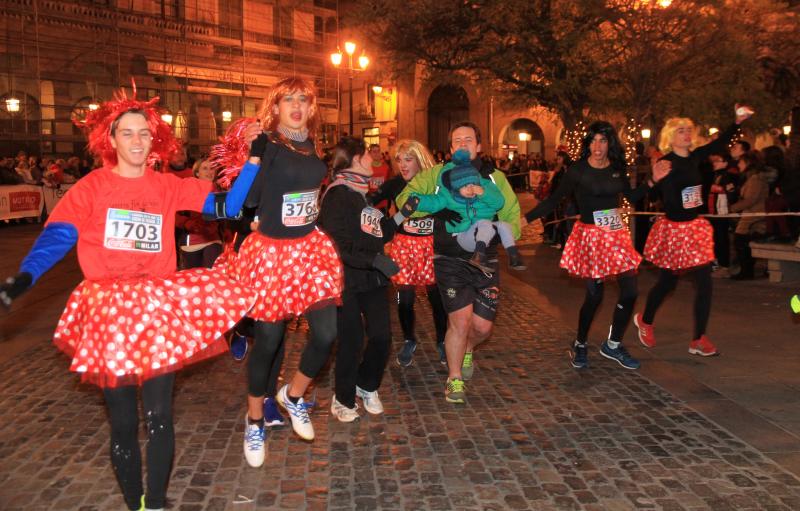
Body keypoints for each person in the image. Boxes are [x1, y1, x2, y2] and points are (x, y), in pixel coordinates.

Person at [0, 89, 257, 511]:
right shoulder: (93, 186)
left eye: (144, 134)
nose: (137, 142)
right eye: (127, 133)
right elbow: (59, 234)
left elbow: (227, 205)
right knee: (122, 424)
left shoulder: (167, 186)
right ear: (111, 140)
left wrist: (253, 163)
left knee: (159, 417)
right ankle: (135, 500)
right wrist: (25, 276)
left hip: (156, 308)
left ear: (153, 140)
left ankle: (154, 503)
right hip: (109, 313)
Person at [222, 77, 342, 467]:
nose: (295, 106)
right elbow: (240, 204)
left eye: (303, 100)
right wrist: (254, 158)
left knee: (326, 334)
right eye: (288, 99)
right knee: (270, 342)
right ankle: (255, 419)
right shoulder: (270, 145)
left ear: (311, 109)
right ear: (274, 108)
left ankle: (293, 395)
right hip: (271, 256)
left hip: (309, 251)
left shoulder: (311, 146)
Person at [523, 121, 670, 370]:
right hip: (590, 238)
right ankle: (580, 342)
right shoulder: (577, 171)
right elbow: (554, 200)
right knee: (594, 296)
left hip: (615, 237)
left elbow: (632, 197)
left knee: (631, 291)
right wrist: (524, 219)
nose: (597, 146)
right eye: (593, 141)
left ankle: (612, 344)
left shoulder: (616, 168)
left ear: (610, 143)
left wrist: (653, 181)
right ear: (587, 144)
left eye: (602, 140)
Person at [396, 121, 521, 403]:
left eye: (468, 140)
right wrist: (435, 209)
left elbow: (511, 211)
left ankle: (467, 350)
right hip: (448, 258)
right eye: (456, 141)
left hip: (484, 259)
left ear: (478, 146)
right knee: (460, 322)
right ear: (451, 148)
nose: (462, 144)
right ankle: (454, 379)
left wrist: (504, 237)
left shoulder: (494, 178)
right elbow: (404, 198)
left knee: (481, 328)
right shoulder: (436, 175)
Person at [633, 106, 753, 357]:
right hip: (674, 230)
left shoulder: (696, 157)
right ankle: (645, 319)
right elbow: (651, 195)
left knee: (704, 283)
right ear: (670, 137)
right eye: (680, 131)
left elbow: (719, 142)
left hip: (694, 228)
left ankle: (698, 338)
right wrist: (653, 180)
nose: (686, 134)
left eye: (688, 130)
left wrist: (737, 123)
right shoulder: (666, 162)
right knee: (667, 283)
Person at [319, 137, 402, 422]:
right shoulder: (336, 195)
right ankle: (342, 398)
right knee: (352, 340)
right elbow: (337, 245)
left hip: (372, 279)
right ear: (355, 159)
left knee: (382, 336)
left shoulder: (360, 193)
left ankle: (366, 385)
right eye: (368, 154)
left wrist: (403, 215)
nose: (373, 159)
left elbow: (380, 232)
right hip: (346, 280)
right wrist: (374, 260)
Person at [368, 139, 448, 367]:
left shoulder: (434, 184)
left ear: (420, 160)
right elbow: (369, 201)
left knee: (437, 299)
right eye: (399, 160)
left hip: (431, 247)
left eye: (408, 159)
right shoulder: (394, 184)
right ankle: (409, 340)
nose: (403, 165)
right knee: (405, 300)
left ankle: (442, 340)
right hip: (404, 247)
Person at [407, 148, 526, 272]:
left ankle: (513, 256)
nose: (470, 189)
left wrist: (483, 192)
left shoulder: (481, 193)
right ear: (456, 187)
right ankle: (479, 256)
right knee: (484, 223)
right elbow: (432, 202)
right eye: (464, 186)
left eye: (473, 185)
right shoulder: (449, 197)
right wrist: (416, 200)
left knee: (504, 225)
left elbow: (499, 203)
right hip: (464, 234)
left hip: (483, 233)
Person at [729, 151, 769, 280]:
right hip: (750, 214)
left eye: (740, 162)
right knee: (741, 241)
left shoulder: (755, 179)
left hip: (753, 215)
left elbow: (751, 199)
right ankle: (745, 270)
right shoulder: (752, 177)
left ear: (747, 163)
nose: (738, 164)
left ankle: (746, 271)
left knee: (741, 241)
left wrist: (732, 208)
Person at [177, 158, 223, 270]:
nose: (209, 171)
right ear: (197, 173)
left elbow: (226, 216)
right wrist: (187, 222)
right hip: (190, 243)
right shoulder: (187, 190)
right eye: (205, 168)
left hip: (213, 240)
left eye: (212, 168)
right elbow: (174, 214)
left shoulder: (220, 191)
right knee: (193, 280)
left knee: (211, 275)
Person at [367, 143, 392, 213]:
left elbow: (389, 184)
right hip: (370, 203)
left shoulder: (386, 167)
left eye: (378, 151)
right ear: (370, 154)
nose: (377, 153)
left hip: (383, 203)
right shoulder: (366, 168)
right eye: (374, 152)